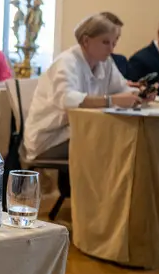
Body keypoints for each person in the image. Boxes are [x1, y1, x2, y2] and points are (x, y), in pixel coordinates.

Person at [23, 14, 150, 163]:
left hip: (78, 131)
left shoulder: (105, 63)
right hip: (51, 138)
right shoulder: (67, 62)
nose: (111, 49)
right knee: (114, 143)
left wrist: (139, 95)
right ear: (86, 41)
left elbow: (121, 89)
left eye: (113, 43)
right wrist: (110, 101)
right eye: (105, 42)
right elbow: (68, 100)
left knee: (127, 139)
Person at [99, 11, 131, 78]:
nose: (114, 43)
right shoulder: (83, 63)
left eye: (117, 38)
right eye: (110, 37)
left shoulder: (121, 62)